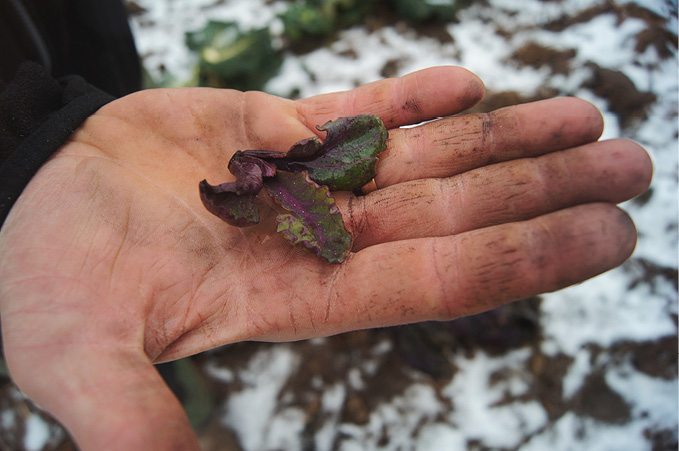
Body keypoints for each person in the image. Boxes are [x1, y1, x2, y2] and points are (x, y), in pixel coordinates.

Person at [0, 2, 652, 451]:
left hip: (66, 68)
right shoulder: (259, 191)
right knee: (140, 319)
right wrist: (28, 166)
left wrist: (45, 129)